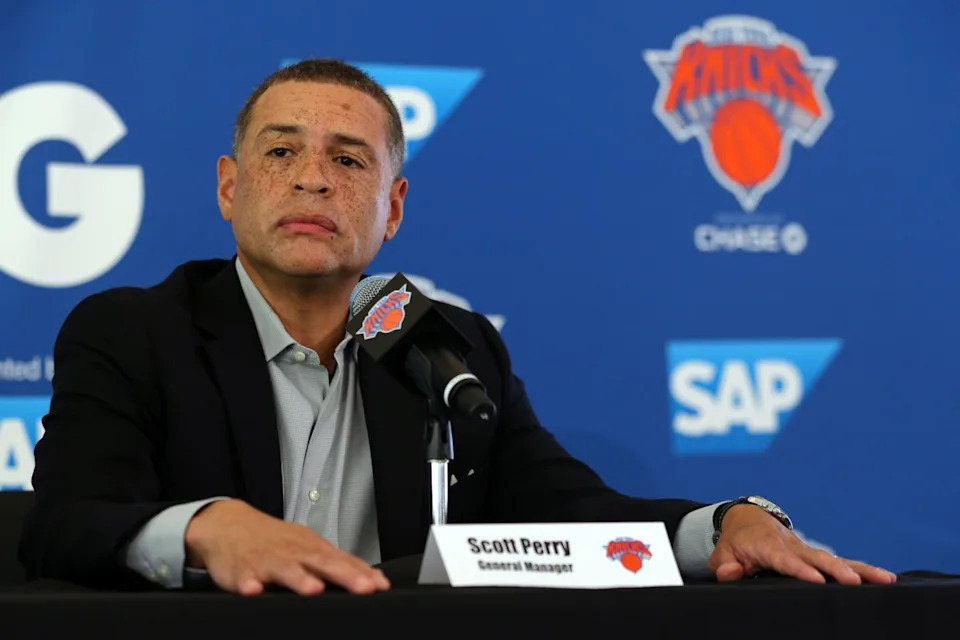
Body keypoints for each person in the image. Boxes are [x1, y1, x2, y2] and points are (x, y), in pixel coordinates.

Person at [18, 59, 896, 595]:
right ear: (228, 187)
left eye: (348, 159)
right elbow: (63, 522)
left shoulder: (449, 347)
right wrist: (208, 527)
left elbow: (569, 514)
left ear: (393, 208)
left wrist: (728, 522)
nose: (313, 179)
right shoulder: (133, 333)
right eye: (281, 152)